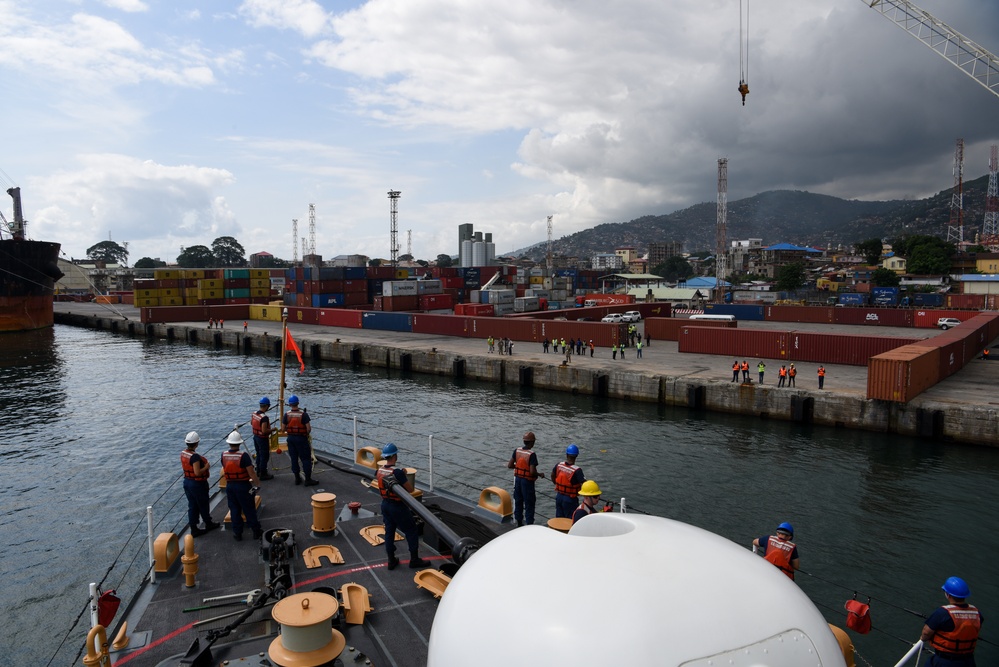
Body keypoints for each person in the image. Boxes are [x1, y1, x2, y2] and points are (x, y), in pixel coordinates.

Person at [376, 443, 431, 570]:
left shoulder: (379, 471)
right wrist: (403, 475)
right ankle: (414, 559)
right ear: (395, 456)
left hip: (385, 505)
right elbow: (410, 489)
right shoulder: (398, 473)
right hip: (398, 507)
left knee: (389, 532)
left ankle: (391, 560)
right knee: (411, 530)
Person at [920, 576, 983, 666]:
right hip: (968, 661)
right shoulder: (977, 613)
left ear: (948, 594)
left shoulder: (943, 613)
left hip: (945, 661)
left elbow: (926, 633)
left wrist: (923, 639)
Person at [221, 430, 262, 542]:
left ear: (229, 443)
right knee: (249, 509)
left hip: (230, 486)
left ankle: (237, 533)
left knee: (234, 510)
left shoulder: (223, 455)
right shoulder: (243, 456)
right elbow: (251, 473)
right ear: (239, 443)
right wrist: (257, 485)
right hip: (243, 486)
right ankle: (256, 531)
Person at [181, 431, 219, 537]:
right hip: (197, 484)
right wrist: (206, 467)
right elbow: (197, 472)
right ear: (197, 443)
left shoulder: (183, 453)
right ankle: (208, 523)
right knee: (203, 504)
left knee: (192, 506)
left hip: (187, 482)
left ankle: (194, 528)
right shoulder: (195, 457)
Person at [507, 431, 544, 527]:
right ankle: (529, 525)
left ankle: (519, 524)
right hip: (527, 482)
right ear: (532, 442)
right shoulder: (532, 454)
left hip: (518, 480)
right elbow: (532, 471)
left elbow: (510, 465)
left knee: (518, 501)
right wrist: (539, 474)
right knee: (529, 504)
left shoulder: (517, 450)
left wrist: (519, 467)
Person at [283, 394, 318, 486]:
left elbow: (283, 429)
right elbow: (308, 428)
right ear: (298, 403)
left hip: (291, 439)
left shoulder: (286, 415)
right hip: (301, 439)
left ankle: (297, 478)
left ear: (290, 404)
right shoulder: (303, 415)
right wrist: (305, 434)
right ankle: (308, 479)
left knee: (294, 459)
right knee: (306, 459)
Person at [552, 444, 585, 518]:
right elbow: (584, 484)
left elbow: (552, 475)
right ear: (576, 456)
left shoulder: (559, 465)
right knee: (570, 520)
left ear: (567, 455)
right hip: (570, 499)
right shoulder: (577, 470)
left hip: (559, 496)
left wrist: (556, 484)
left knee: (559, 519)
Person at [251, 397, 274, 480]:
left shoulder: (254, 414)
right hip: (262, 439)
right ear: (267, 406)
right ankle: (263, 474)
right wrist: (272, 430)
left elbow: (252, 423)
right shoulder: (264, 418)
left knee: (258, 454)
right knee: (264, 456)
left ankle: (258, 471)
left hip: (255, 437)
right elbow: (264, 431)